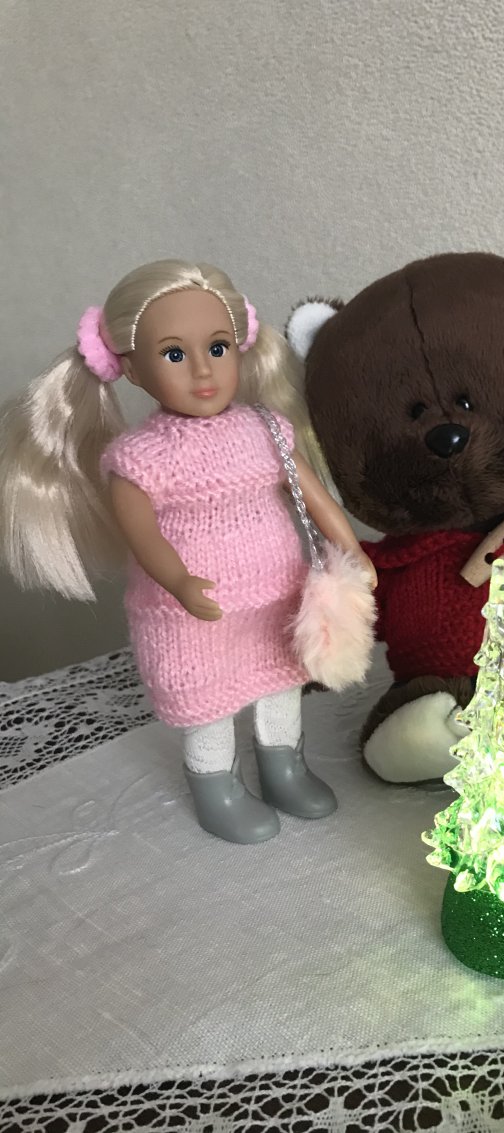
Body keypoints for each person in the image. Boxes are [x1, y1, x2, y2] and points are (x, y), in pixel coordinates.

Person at [0, 260, 376, 844]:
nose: (203, 369)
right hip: (191, 614)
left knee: (280, 683)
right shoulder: (139, 457)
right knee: (206, 701)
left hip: (279, 597)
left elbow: (314, 496)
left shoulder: (266, 429)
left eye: (217, 347)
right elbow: (142, 535)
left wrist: (350, 549)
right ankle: (216, 787)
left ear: (240, 346)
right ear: (132, 369)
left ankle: (284, 769)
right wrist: (177, 581)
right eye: (174, 354)